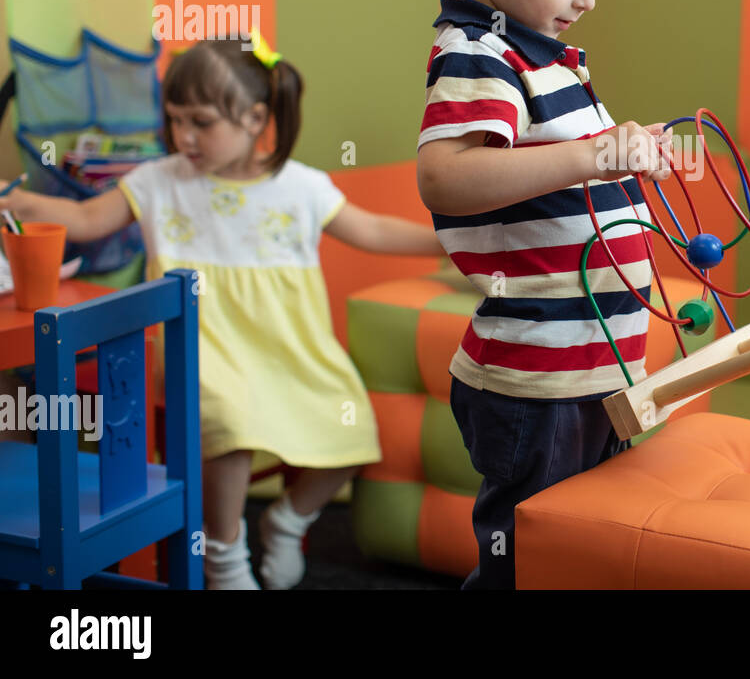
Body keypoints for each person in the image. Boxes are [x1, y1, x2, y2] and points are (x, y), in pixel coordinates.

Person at [1, 34, 444, 589]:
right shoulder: (160, 182)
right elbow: (85, 219)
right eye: (175, 120)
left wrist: (451, 244)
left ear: (256, 117)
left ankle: (287, 520)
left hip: (289, 347)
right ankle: (224, 553)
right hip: (201, 350)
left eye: (202, 122)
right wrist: (18, 202)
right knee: (230, 421)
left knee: (354, 432)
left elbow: (374, 230)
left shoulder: (301, 188)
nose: (184, 136)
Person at [416, 0, 674, 589]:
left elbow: (559, 179)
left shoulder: (545, 58)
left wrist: (632, 158)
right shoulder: (477, 54)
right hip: (536, 382)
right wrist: (597, 155)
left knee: (578, 555)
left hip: (596, 368)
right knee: (526, 561)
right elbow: (447, 177)